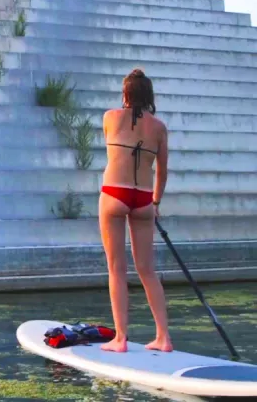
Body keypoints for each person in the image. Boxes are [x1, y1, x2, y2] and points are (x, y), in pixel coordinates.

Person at [98, 68, 172, 353]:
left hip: (114, 193)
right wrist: (155, 202)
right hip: (143, 198)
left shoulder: (109, 117)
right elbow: (162, 171)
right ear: (149, 95)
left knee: (117, 268)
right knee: (147, 270)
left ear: (125, 93)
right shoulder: (159, 127)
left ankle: (120, 338)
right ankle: (163, 336)